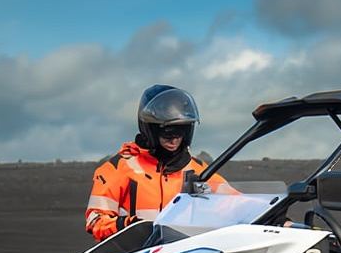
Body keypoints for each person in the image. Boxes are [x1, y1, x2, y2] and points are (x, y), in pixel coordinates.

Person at [85, 85, 233, 241]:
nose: (174, 139)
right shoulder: (119, 168)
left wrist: (259, 212)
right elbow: (95, 220)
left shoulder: (200, 171)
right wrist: (127, 227)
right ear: (151, 129)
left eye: (181, 131)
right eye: (168, 132)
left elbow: (236, 204)